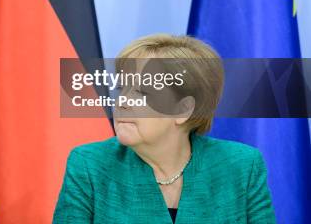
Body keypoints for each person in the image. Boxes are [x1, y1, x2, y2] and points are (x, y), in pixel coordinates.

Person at [53, 34, 275, 223]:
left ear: (183, 110)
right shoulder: (89, 164)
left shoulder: (242, 165)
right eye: (122, 88)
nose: (122, 102)